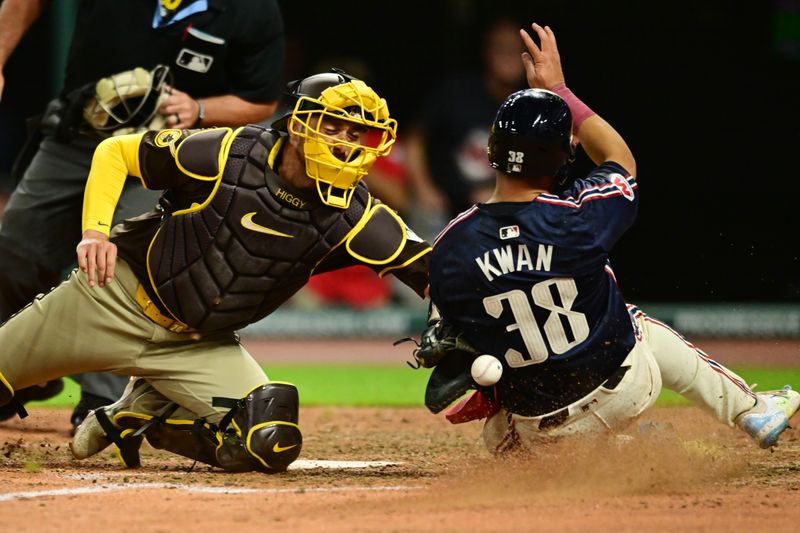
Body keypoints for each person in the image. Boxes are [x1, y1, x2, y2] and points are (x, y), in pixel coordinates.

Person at [0, 69, 432, 473]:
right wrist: (94, 233)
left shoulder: (357, 215)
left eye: (356, 133)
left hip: (197, 346)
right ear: (300, 125)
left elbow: (432, 270)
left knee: (271, 440)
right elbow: (116, 152)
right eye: (332, 126)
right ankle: (153, 402)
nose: (345, 142)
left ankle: (142, 415)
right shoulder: (231, 152)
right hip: (109, 300)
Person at [417, 23, 800, 454]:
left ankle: (608, 451)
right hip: (624, 389)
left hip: (537, 430)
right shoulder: (579, 216)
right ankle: (749, 411)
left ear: (491, 150)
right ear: (563, 154)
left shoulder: (450, 246)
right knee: (635, 323)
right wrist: (560, 89)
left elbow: (447, 324)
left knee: (499, 432)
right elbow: (620, 157)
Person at [0, 0, 286, 430]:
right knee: (13, 251)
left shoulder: (251, 9)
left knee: (120, 259)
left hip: (162, 160)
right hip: (74, 139)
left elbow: (261, 101)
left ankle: (100, 399)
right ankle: (20, 377)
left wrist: (201, 110)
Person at [404, 16, 527, 240]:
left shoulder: (530, 107)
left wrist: (500, 198)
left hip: (496, 212)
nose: (508, 56)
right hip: (440, 207)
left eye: (515, 50)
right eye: (501, 48)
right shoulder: (456, 92)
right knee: (422, 254)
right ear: (487, 52)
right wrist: (424, 189)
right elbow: (415, 140)